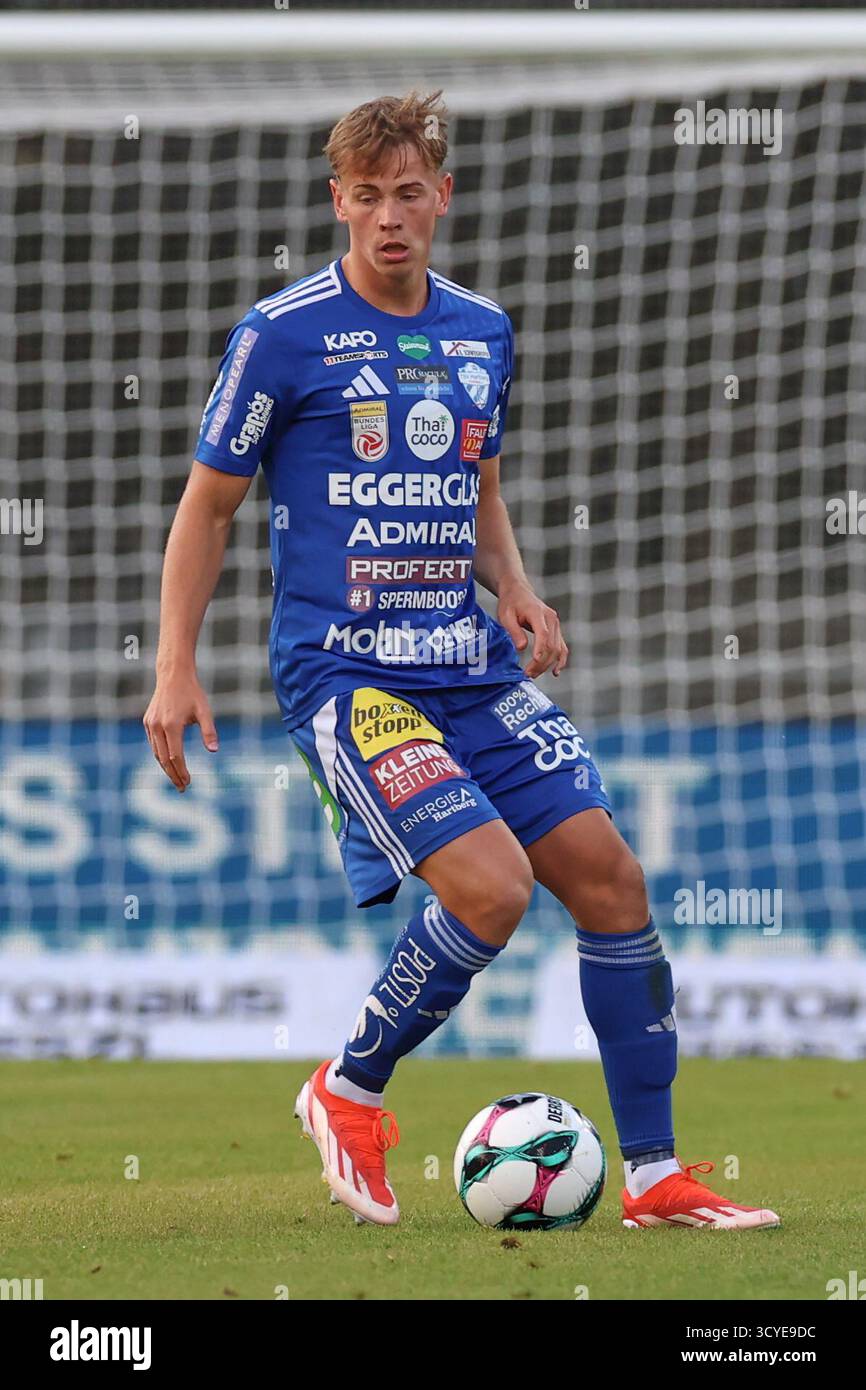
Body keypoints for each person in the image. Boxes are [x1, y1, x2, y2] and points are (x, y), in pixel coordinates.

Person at [144, 91, 779, 1232]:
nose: (389, 217)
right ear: (338, 202)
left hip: (472, 665)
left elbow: (475, 481)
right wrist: (174, 666)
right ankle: (345, 1087)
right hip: (350, 677)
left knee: (610, 882)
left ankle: (650, 1179)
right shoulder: (282, 333)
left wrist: (517, 586)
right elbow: (208, 507)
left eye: (407, 193)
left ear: (442, 195)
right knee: (489, 891)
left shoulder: (482, 331)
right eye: (365, 197)